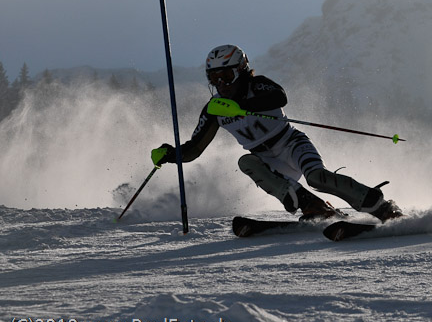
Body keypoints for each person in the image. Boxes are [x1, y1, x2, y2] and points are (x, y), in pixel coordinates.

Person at [151, 44, 402, 221]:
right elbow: (194, 149)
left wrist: (243, 107)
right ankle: (312, 206)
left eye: (227, 75)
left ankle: (378, 205)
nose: (221, 84)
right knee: (245, 161)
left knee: (317, 177)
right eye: (214, 78)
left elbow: (280, 97)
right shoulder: (214, 109)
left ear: (241, 70)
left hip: (291, 143)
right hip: (266, 160)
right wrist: (170, 154)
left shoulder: (256, 85)